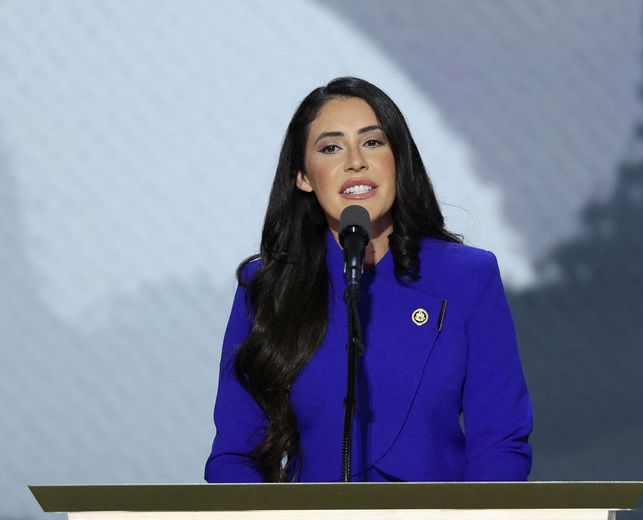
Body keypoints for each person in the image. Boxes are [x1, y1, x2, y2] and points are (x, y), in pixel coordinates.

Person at [205, 77, 532, 483]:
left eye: (373, 142)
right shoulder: (268, 287)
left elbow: (501, 445)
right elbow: (235, 458)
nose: (355, 161)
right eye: (330, 148)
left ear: (398, 158)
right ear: (304, 177)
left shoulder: (467, 277)